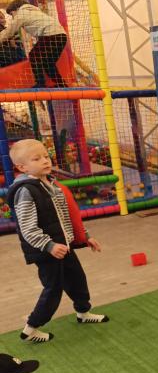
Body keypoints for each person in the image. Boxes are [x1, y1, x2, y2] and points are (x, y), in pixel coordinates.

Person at [7, 139, 108, 344]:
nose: (45, 161)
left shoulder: (52, 184)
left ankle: (83, 312)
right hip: (47, 251)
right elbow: (27, 228)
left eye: (46, 156)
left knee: (77, 279)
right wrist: (49, 245)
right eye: (36, 159)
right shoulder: (26, 190)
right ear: (22, 167)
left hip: (63, 246)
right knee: (53, 288)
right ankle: (31, 327)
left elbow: (67, 217)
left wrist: (85, 236)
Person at [0, 0, 68, 87]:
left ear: (16, 9)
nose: (13, 17)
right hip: (62, 37)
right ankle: (61, 84)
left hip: (51, 36)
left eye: (12, 14)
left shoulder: (21, 14)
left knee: (33, 55)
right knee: (48, 63)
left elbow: (9, 31)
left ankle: (40, 83)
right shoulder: (35, 11)